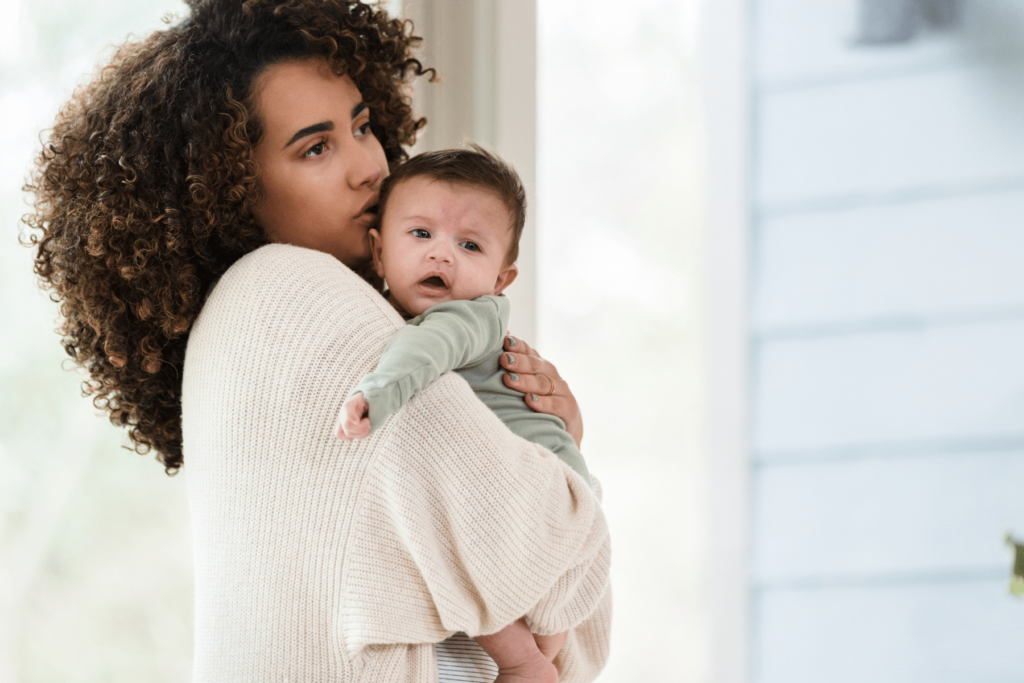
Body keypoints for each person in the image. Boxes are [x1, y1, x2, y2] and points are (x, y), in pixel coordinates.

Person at [23, 1, 611, 682]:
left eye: (362, 125)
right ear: (229, 192)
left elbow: (575, 639)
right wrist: (560, 454)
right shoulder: (288, 290)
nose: (370, 166)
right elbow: (557, 569)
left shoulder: (274, 327)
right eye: (315, 147)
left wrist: (550, 445)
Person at [336, 146, 592, 683]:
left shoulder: (465, 318)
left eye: (469, 245)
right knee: (546, 609)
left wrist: (374, 397)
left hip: (532, 493)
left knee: (468, 562)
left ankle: (524, 665)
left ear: (502, 280)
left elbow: (422, 354)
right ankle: (544, 656)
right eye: (421, 234)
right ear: (379, 253)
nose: (441, 256)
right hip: (569, 492)